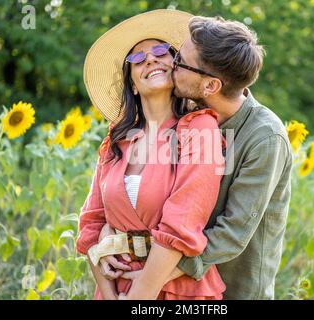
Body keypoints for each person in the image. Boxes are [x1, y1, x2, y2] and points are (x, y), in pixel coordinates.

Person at [100, 15, 293, 300]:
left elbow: (232, 233)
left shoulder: (265, 139)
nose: (169, 65)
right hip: (170, 287)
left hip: (235, 286)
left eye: (179, 62)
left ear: (210, 86)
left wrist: (152, 279)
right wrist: (108, 236)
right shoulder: (186, 118)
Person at [76, 9, 226, 300]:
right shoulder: (116, 141)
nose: (150, 59)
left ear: (177, 66)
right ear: (132, 82)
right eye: (136, 58)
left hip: (179, 291)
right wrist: (109, 295)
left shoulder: (200, 129)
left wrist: (138, 297)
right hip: (116, 289)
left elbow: (182, 223)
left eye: (161, 51)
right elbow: (91, 225)